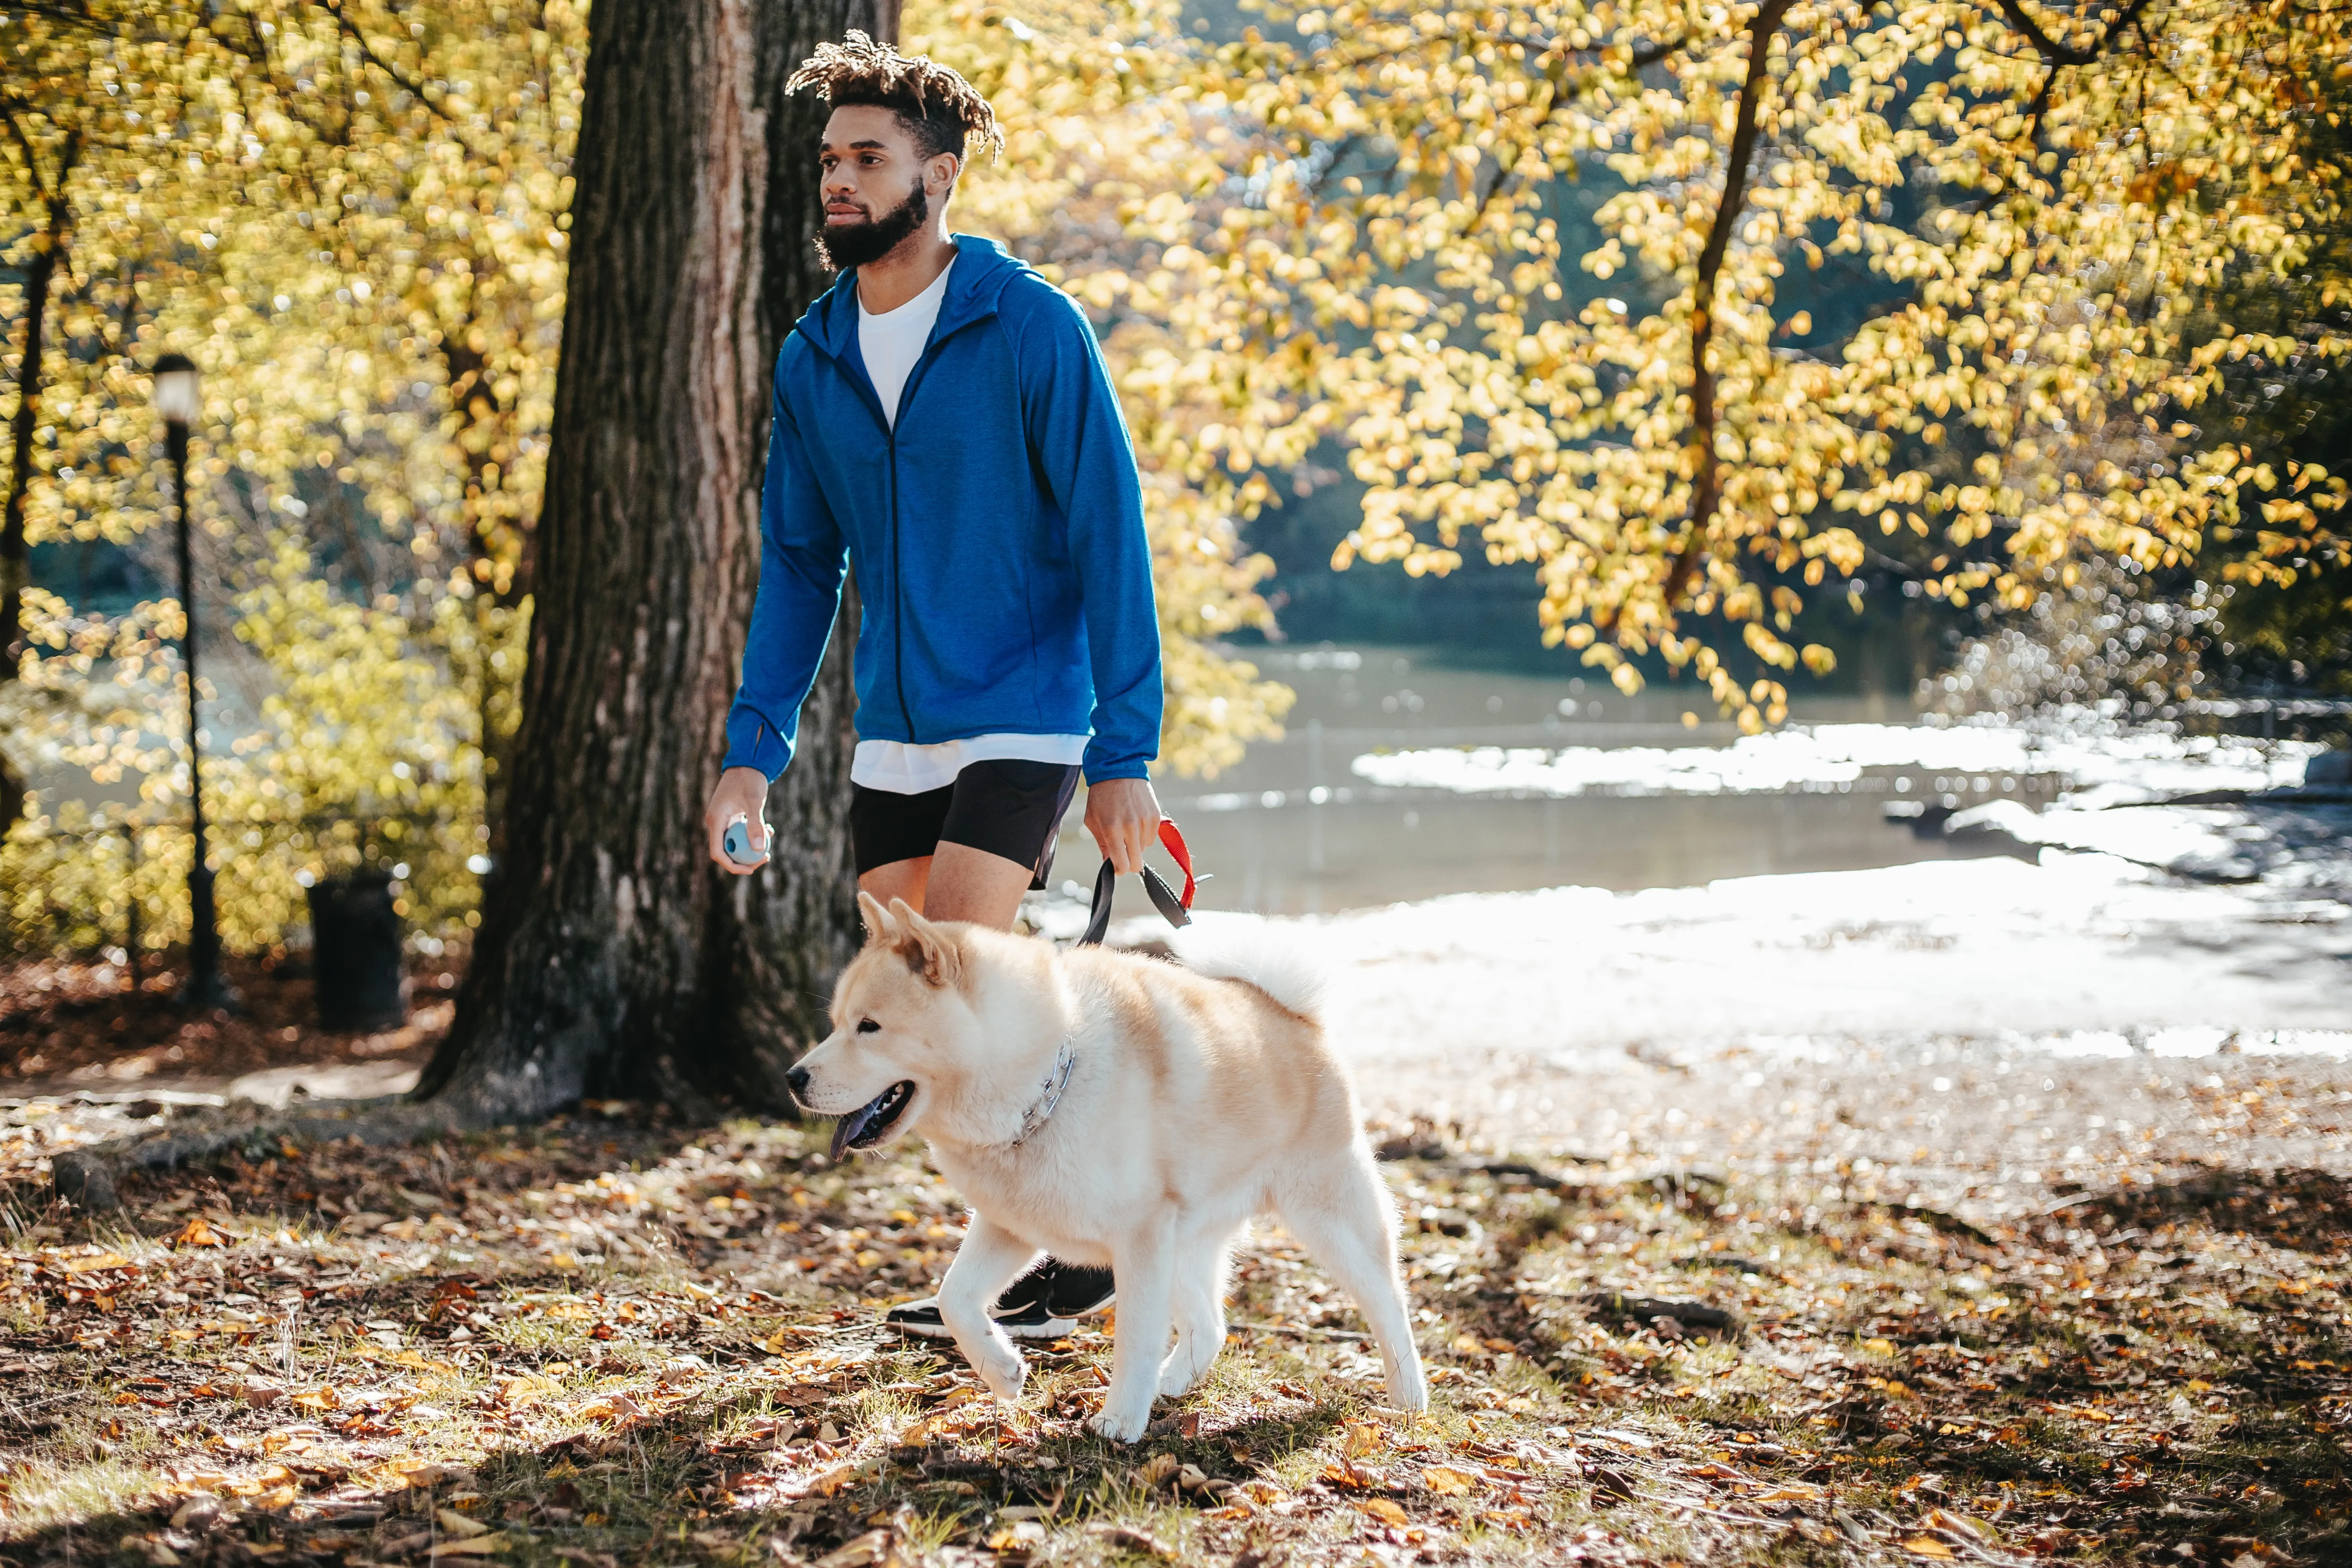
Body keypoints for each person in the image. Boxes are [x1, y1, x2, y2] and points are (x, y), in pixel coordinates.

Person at [701, 32, 1162, 1340]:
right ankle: (1075, 1238)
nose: (839, 182)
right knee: (931, 1015)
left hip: (1025, 705)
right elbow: (799, 564)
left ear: (938, 176)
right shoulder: (814, 354)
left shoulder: (1030, 327)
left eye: (869, 158)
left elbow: (1107, 534)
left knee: (960, 998)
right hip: (892, 731)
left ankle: (1070, 1264)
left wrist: (1124, 749)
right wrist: (755, 748)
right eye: (831, 160)